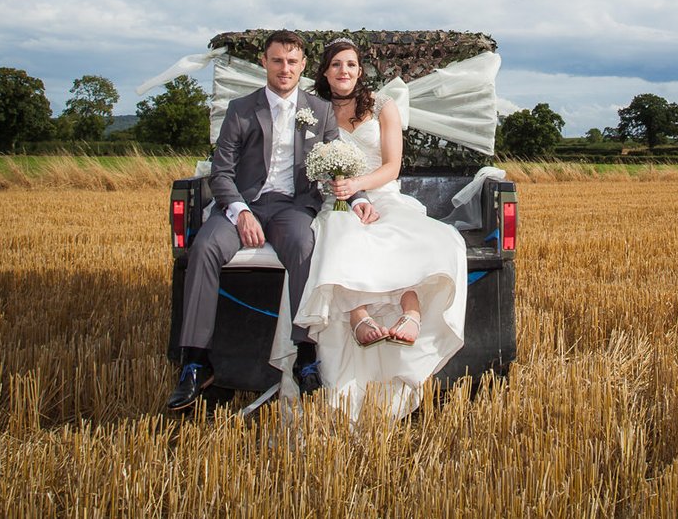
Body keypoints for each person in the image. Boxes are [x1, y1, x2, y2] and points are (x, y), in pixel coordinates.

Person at [271, 37, 468, 420]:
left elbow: (393, 166)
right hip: (337, 198)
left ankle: (410, 315)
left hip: (383, 193)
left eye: (351, 64)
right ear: (324, 71)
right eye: (336, 65)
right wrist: (338, 188)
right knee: (340, 235)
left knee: (420, 237)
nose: (344, 71)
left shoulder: (383, 106)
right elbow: (303, 164)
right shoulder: (310, 109)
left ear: (360, 71)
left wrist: (360, 186)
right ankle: (359, 316)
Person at [165, 30, 339, 413]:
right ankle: (195, 362)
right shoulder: (241, 109)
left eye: (292, 62)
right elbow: (221, 173)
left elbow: (331, 163)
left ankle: (306, 353)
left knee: (303, 245)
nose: (285, 69)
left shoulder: (320, 111)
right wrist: (240, 211)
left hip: (292, 206)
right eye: (277, 60)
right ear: (264, 62)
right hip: (244, 203)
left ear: (304, 65)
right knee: (206, 247)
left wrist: (344, 187)